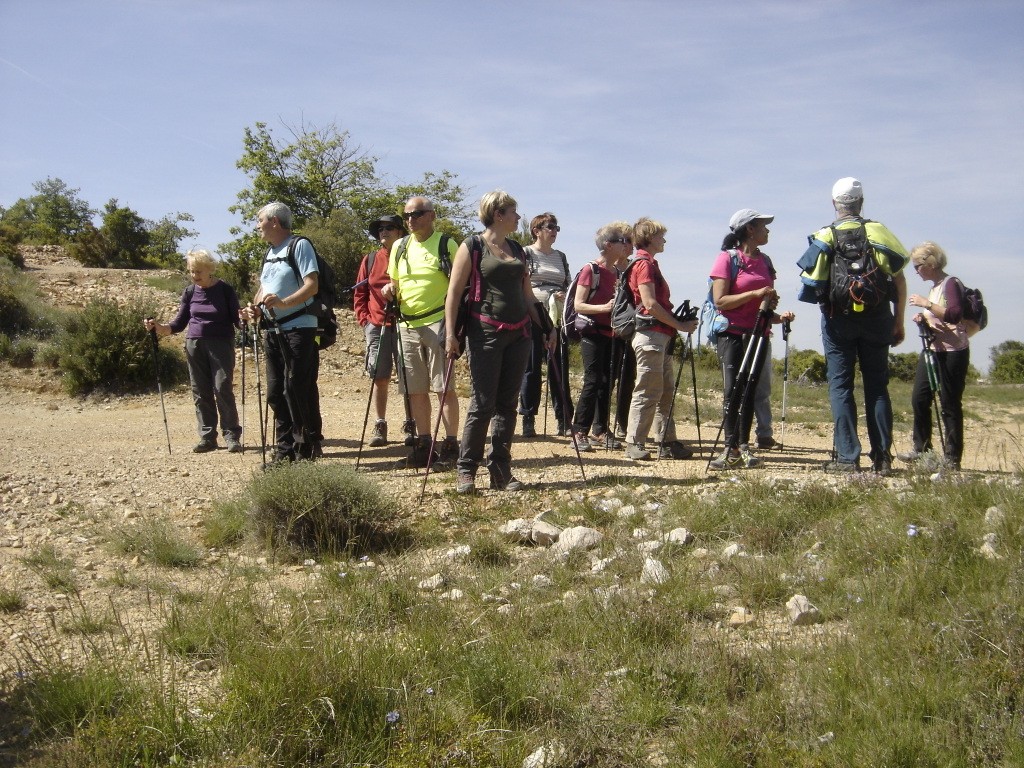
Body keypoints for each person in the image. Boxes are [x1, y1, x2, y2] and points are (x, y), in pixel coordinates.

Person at [444, 190, 555, 494]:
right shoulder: (473, 246)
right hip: (485, 333)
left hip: (519, 334)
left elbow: (528, 295)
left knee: (507, 404)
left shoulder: (518, 250)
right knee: (482, 403)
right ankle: (466, 470)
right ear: (498, 214)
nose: (518, 217)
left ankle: (500, 469)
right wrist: (451, 334)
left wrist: (547, 327)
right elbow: (453, 293)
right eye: (513, 211)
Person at [797, 177, 908, 475]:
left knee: (841, 386)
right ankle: (882, 458)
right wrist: (898, 322)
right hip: (878, 318)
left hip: (838, 322)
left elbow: (812, 283)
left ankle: (847, 458)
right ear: (861, 202)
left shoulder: (825, 236)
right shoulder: (879, 232)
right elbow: (898, 279)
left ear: (834, 204)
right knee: (877, 387)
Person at [707, 209, 795, 470]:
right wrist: (756, 293)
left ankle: (742, 446)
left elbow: (764, 302)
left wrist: (776, 315)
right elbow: (720, 301)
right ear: (749, 230)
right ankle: (730, 447)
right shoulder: (727, 259)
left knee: (749, 390)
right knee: (733, 390)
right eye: (763, 226)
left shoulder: (766, 261)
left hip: (759, 333)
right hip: (731, 333)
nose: (767, 230)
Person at [241, 201, 322, 463]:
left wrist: (285, 304)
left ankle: (304, 449)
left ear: (274, 221)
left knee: (296, 388)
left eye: (259, 220)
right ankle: (285, 450)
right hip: (273, 331)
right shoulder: (270, 253)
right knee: (276, 391)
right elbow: (264, 290)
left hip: (299, 329)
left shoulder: (300, 246)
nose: (257, 226)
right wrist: (253, 309)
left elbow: (312, 286)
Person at [381, 196, 460, 467]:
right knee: (414, 389)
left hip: (439, 322)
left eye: (416, 214)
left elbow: (459, 286)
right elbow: (394, 281)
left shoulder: (445, 244)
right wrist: (389, 290)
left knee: (443, 387)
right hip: (407, 324)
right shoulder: (399, 247)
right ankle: (424, 445)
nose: (410, 220)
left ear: (431, 215)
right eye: (406, 216)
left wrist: (453, 328)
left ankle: (451, 445)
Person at [144, 248, 242, 453]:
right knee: (200, 391)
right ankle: (208, 437)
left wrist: (248, 319)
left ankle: (231, 435)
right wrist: (160, 328)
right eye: (191, 271)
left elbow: (237, 320)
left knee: (222, 387)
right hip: (194, 343)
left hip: (221, 343)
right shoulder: (190, 292)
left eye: (198, 271)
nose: (194, 276)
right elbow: (179, 323)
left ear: (209, 269)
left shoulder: (225, 290)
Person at [623, 217, 699, 461]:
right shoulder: (644, 264)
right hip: (651, 335)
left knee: (665, 391)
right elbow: (650, 304)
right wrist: (680, 324)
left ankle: (666, 440)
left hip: (659, 336)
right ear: (650, 238)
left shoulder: (648, 263)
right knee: (647, 389)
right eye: (660, 235)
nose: (664, 239)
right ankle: (634, 442)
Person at [899, 241, 970, 470]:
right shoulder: (936, 286)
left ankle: (952, 457)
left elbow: (955, 314)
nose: (916, 272)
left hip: (953, 353)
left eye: (917, 267)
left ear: (929, 264)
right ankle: (922, 449)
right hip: (932, 350)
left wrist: (926, 305)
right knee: (919, 399)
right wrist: (924, 318)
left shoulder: (950, 284)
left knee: (949, 403)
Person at [569, 221, 632, 451]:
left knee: (607, 382)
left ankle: (601, 429)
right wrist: (605, 308)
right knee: (593, 381)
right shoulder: (591, 269)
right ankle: (579, 432)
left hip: (612, 334)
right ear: (608, 245)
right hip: (593, 332)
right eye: (622, 241)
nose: (626, 245)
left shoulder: (617, 272)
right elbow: (579, 304)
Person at [518, 212, 573, 437]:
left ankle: (563, 419)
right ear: (536, 230)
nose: (554, 231)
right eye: (550, 227)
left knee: (559, 367)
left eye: (556, 227)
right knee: (531, 368)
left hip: (557, 317)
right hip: (533, 316)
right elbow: (521, 284)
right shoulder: (526, 253)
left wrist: (564, 294)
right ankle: (528, 418)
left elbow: (569, 284)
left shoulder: (561, 256)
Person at [354, 214, 407, 447]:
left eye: (389, 227)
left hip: (405, 324)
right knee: (380, 376)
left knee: (408, 377)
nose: (383, 232)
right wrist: (365, 320)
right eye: (380, 228)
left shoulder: (407, 256)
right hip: (376, 325)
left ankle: (411, 424)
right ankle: (380, 423)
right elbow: (360, 293)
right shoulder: (371, 259)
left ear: (400, 232)